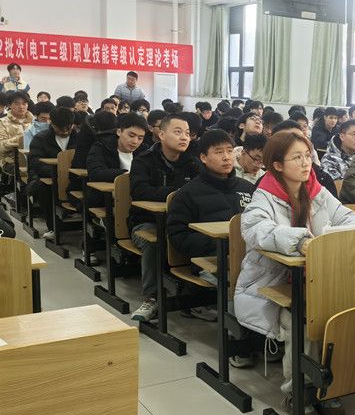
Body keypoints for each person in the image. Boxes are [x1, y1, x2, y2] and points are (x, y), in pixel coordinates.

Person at [236, 130, 355, 415]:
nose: (306, 163)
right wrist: (300, 241)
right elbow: (256, 229)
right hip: (275, 281)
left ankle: (329, 385)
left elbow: (347, 217)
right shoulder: (264, 195)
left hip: (318, 277)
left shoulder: (317, 191)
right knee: (302, 320)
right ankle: (299, 390)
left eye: (308, 155)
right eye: (297, 157)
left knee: (341, 314)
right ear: (277, 165)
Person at [129, 114, 201, 322]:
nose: (184, 137)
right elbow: (139, 191)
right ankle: (151, 298)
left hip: (181, 222)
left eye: (187, 133)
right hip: (146, 222)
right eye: (178, 132)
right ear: (161, 134)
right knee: (155, 242)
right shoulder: (143, 160)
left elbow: (201, 190)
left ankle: (194, 298)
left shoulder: (193, 162)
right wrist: (177, 193)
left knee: (201, 240)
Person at [167, 129, 255, 281]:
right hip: (211, 261)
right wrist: (220, 244)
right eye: (219, 152)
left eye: (229, 151)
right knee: (241, 284)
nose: (226, 157)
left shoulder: (247, 188)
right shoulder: (188, 193)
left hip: (249, 259)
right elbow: (178, 236)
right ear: (203, 158)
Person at [27, 107, 77, 239]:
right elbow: (35, 162)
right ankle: (53, 226)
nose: (65, 131)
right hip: (46, 176)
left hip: (74, 176)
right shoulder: (41, 138)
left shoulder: (79, 138)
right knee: (43, 188)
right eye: (60, 128)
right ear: (52, 123)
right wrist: (57, 173)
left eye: (68, 127)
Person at [85, 113, 148, 207]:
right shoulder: (101, 146)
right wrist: (124, 174)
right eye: (131, 135)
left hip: (137, 199)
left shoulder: (145, 151)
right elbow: (95, 173)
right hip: (106, 200)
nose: (135, 141)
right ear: (119, 132)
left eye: (140, 138)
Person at [273, 120, 338, 198]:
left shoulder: (322, 178)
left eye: (302, 138)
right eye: (297, 157)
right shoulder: (265, 188)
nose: (305, 163)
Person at [0, 90, 34, 174]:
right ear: (9, 105)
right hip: (10, 159)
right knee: (24, 170)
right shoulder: (2, 122)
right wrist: (21, 138)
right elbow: (1, 147)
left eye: (24, 103)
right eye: (16, 103)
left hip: (33, 158)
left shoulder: (34, 122)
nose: (21, 107)